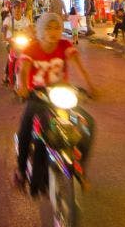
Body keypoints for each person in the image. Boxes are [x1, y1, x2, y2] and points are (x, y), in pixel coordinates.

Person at [12, 13, 96, 192]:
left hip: (62, 93)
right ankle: (20, 170)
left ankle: (79, 166)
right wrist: (22, 87)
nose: (53, 32)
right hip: (37, 95)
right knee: (26, 128)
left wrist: (90, 86)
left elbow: (79, 67)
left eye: (57, 27)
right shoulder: (32, 49)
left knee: (87, 123)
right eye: (49, 28)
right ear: (41, 30)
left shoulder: (65, 45)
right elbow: (23, 70)